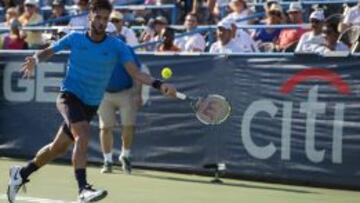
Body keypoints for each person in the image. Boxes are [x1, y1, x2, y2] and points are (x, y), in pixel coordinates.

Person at [6, 0, 177, 203]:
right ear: (90, 17)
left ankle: (21, 174)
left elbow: (136, 73)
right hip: (69, 95)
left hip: (90, 103)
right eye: (99, 17)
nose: (102, 22)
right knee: (83, 134)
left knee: (57, 148)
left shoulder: (117, 46)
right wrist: (35, 58)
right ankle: (83, 189)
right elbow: (50, 50)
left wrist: (159, 84)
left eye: (105, 19)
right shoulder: (76, 38)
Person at [98, 45, 142, 174]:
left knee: (128, 126)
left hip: (126, 92)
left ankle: (125, 155)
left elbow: (137, 72)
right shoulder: (96, 49)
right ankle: (107, 161)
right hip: (103, 94)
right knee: (105, 128)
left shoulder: (126, 49)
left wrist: (137, 93)